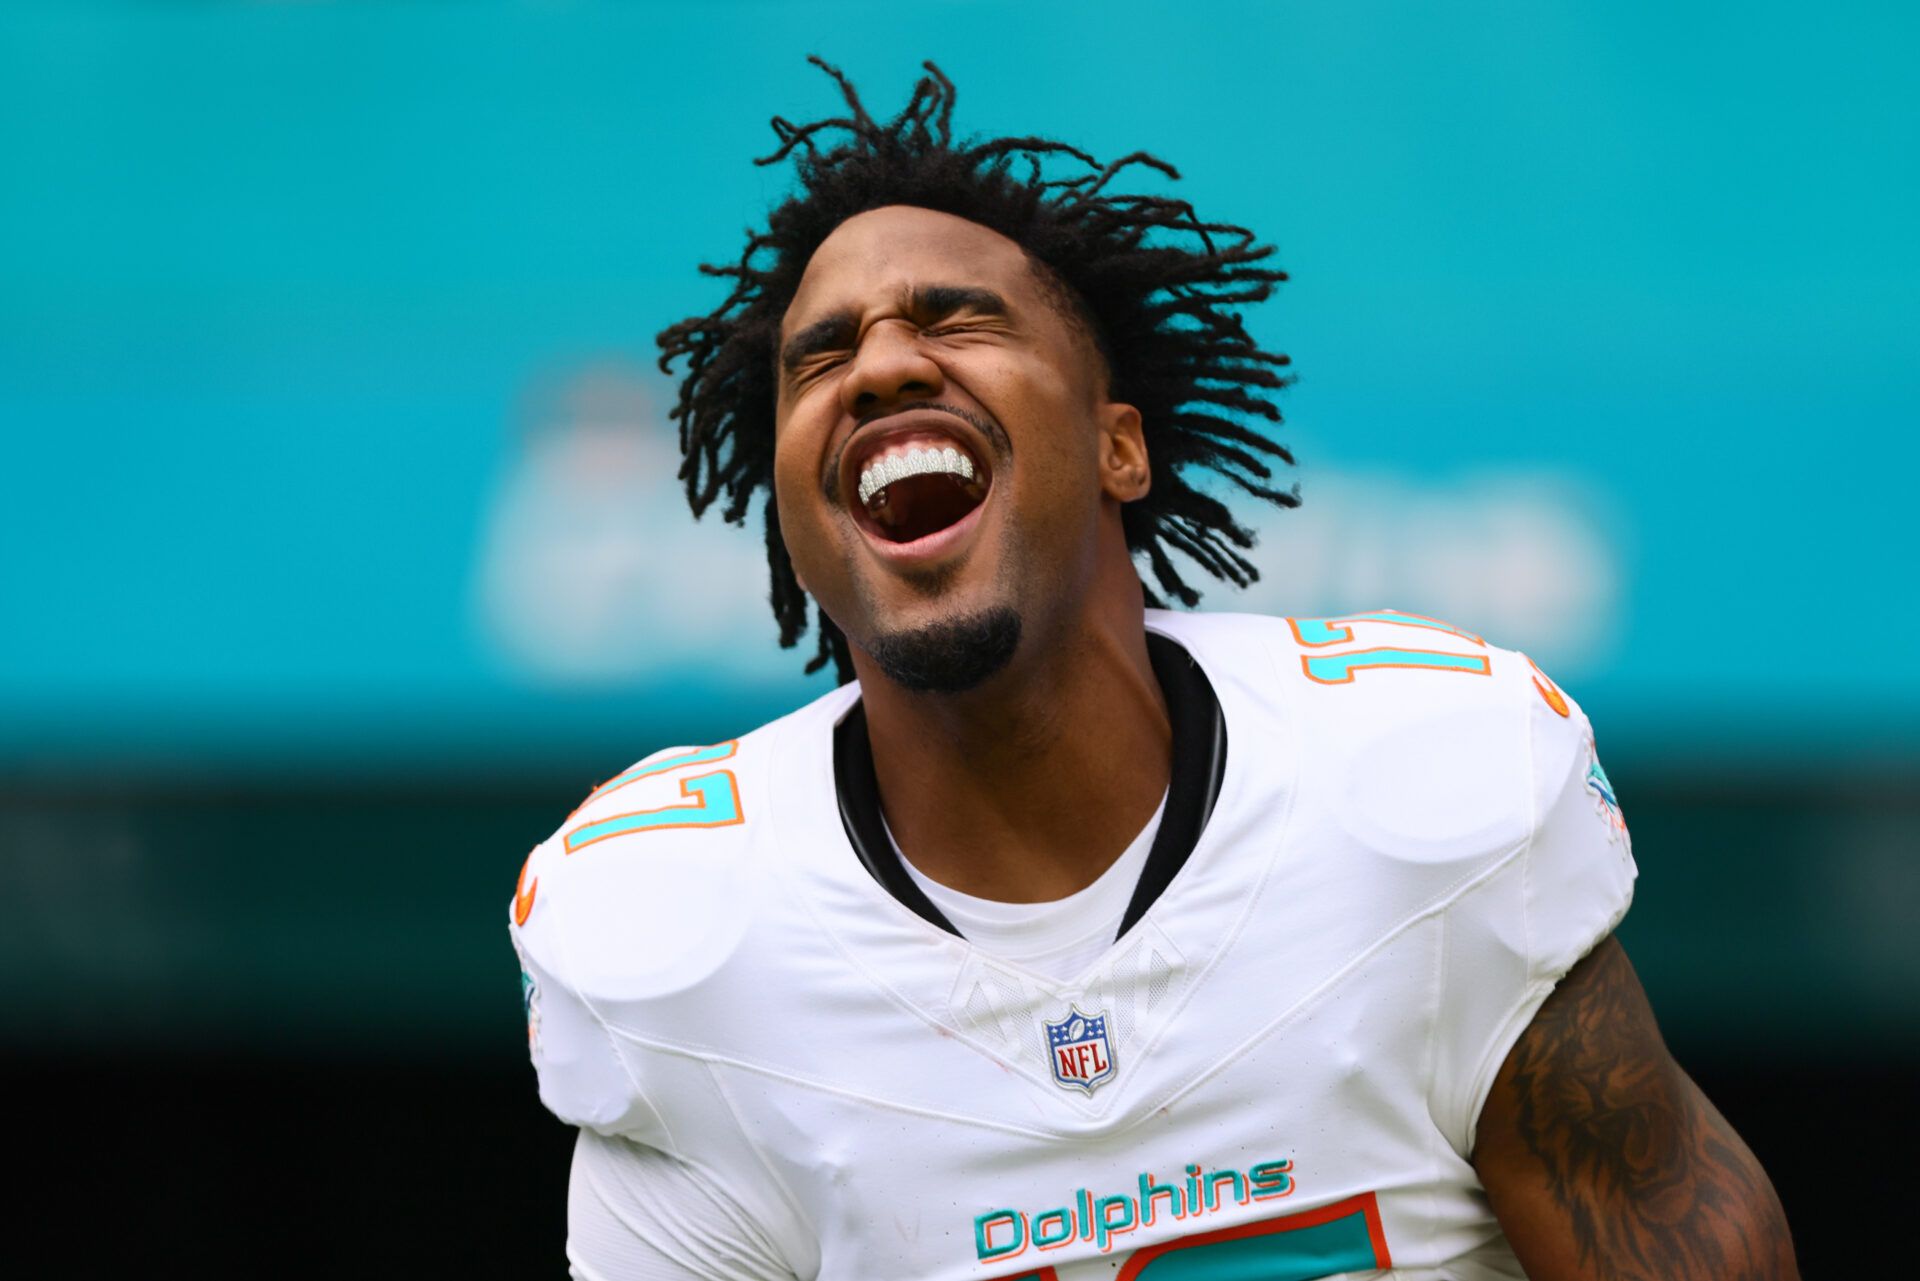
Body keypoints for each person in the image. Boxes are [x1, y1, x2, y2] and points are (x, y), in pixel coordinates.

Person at [508, 61, 1797, 1280]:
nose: (888, 364)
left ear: (1121, 448)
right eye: (822, 358)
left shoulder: (1417, 792)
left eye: (958, 320)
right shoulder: (685, 949)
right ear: (795, 512)